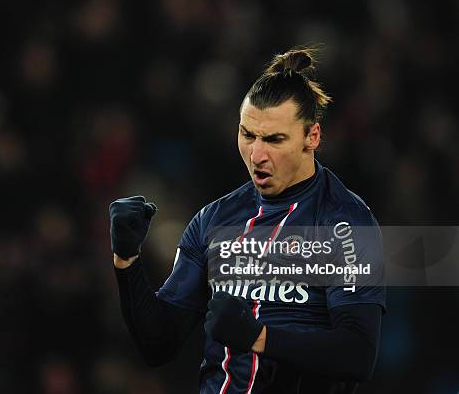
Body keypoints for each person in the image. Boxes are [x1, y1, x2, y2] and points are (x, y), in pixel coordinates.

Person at [109, 47, 386, 394]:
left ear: (311, 137)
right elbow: (158, 344)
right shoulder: (215, 219)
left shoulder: (345, 224)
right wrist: (127, 259)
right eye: (247, 135)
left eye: (274, 139)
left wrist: (261, 338)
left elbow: (358, 354)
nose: (257, 154)